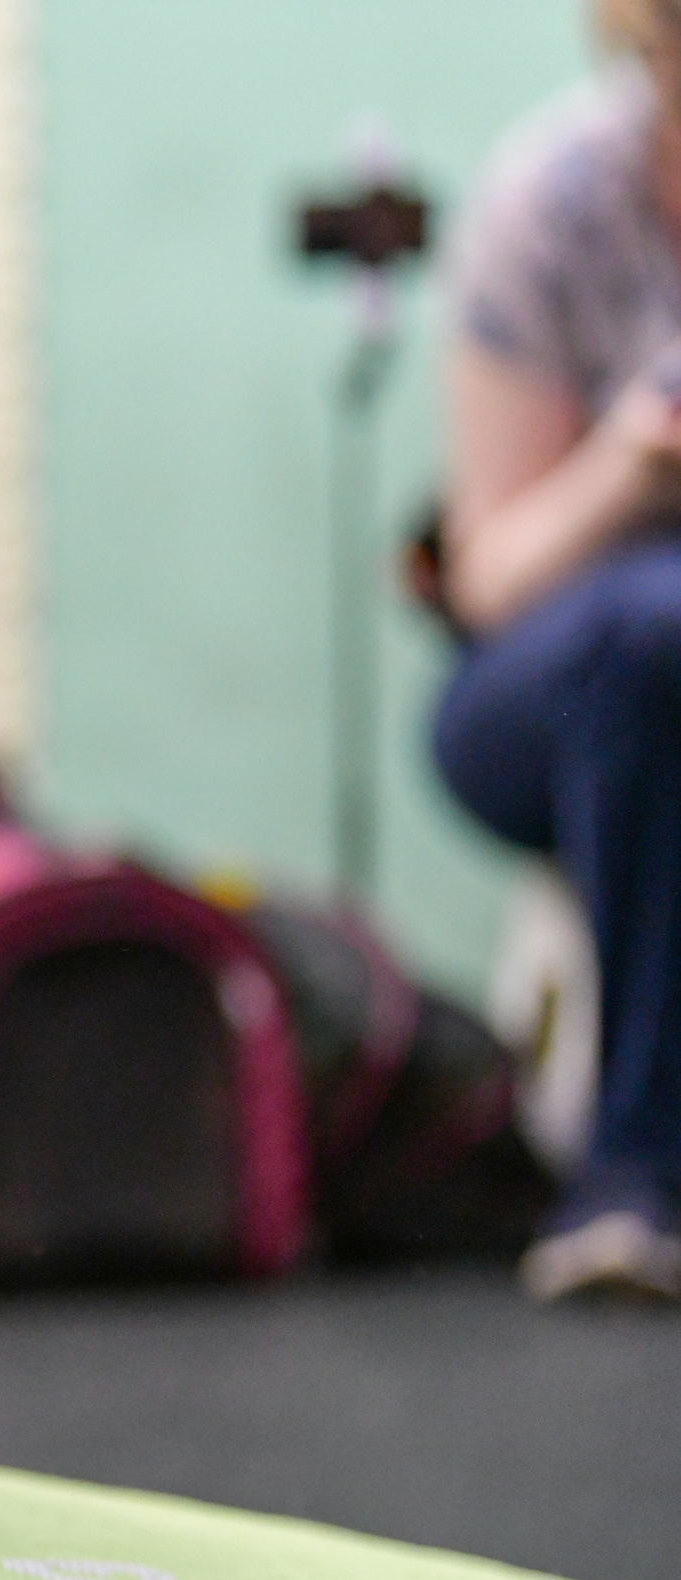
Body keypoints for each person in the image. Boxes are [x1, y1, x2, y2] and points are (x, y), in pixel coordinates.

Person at [441, 0, 681, 1301]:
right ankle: (631, 1181)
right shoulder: (553, 197)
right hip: (538, 689)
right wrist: (633, 460)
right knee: (657, 624)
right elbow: (489, 576)